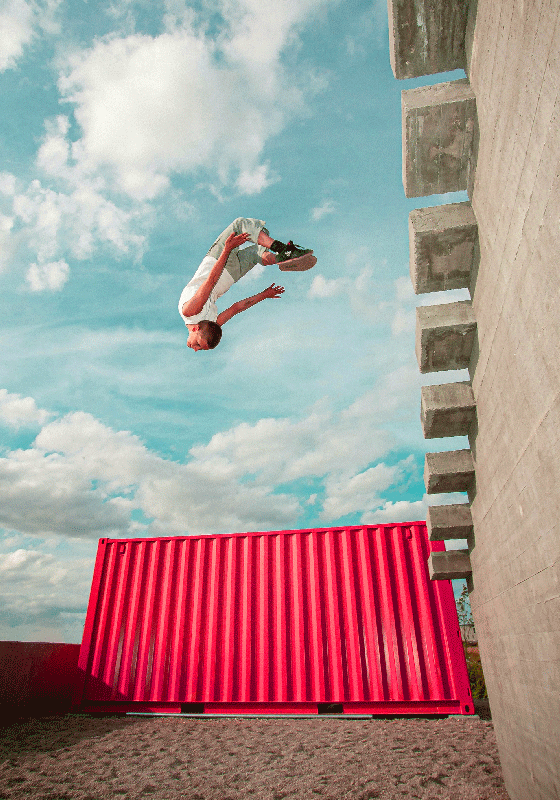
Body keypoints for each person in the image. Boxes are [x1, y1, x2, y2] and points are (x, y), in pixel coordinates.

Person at [178, 217, 316, 351]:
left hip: (230, 276)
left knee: (256, 247)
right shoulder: (198, 318)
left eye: (198, 345)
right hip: (218, 263)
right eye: (200, 347)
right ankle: (286, 251)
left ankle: (281, 258)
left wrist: (264, 295)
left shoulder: (201, 316)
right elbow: (214, 283)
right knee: (241, 225)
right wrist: (226, 250)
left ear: (196, 329)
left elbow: (234, 306)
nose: (195, 349)